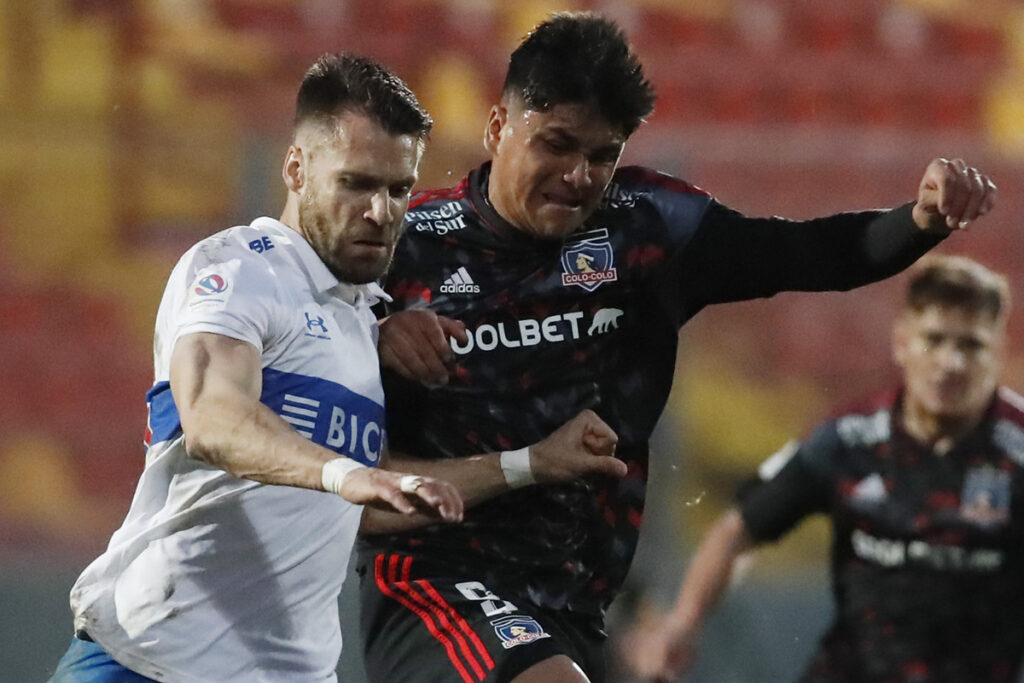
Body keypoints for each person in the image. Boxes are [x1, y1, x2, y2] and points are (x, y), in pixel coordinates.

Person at [355, 11, 998, 683]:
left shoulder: (646, 229)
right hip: (435, 577)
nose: (578, 174)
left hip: (575, 594)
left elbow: (805, 253)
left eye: (602, 154)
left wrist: (920, 221)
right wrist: (370, 336)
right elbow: (294, 369)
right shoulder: (408, 246)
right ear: (496, 128)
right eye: (557, 143)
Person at [48, 53, 620, 683]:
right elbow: (212, 419)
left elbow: (358, 503)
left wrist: (528, 464)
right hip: (148, 660)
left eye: (398, 189)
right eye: (356, 184)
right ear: (296, 168)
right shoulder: (239, 271)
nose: (381, 212)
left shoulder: (366, 319)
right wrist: (347, 474)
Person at [624, 255, 1024, 682]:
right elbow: (738, 528)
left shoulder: (1017, 451)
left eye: (971, 345)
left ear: (997, 351)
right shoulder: (849, 439)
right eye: (935, 339)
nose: (951, 363)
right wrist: (684, 624)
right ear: (902, 343)